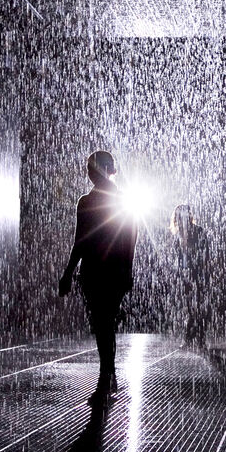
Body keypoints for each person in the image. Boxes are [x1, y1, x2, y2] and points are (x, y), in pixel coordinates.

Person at [59, 151, 138, 406]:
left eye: (93, 168)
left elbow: (80, 241)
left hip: (96, 271)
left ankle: (106, 378)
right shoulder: (121, 200)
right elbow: (130, 238)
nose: (90, 172)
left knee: (103, 324)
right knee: (105, 324)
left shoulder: (89, 202)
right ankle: (109, 374)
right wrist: (127, 269)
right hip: (110, 271)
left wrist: (69, 273)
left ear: (104, 170)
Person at [170, 204, 210, 345]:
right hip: (184, 274)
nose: (182, 219)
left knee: (198, 306)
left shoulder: (199, 231)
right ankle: (191, 337)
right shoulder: (178, 235)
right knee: (188, 306)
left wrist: (202, 272)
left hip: (197, 273)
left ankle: (197, 338)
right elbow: (178, 257)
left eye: (184, 215)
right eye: (179, 216)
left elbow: (205, 254)